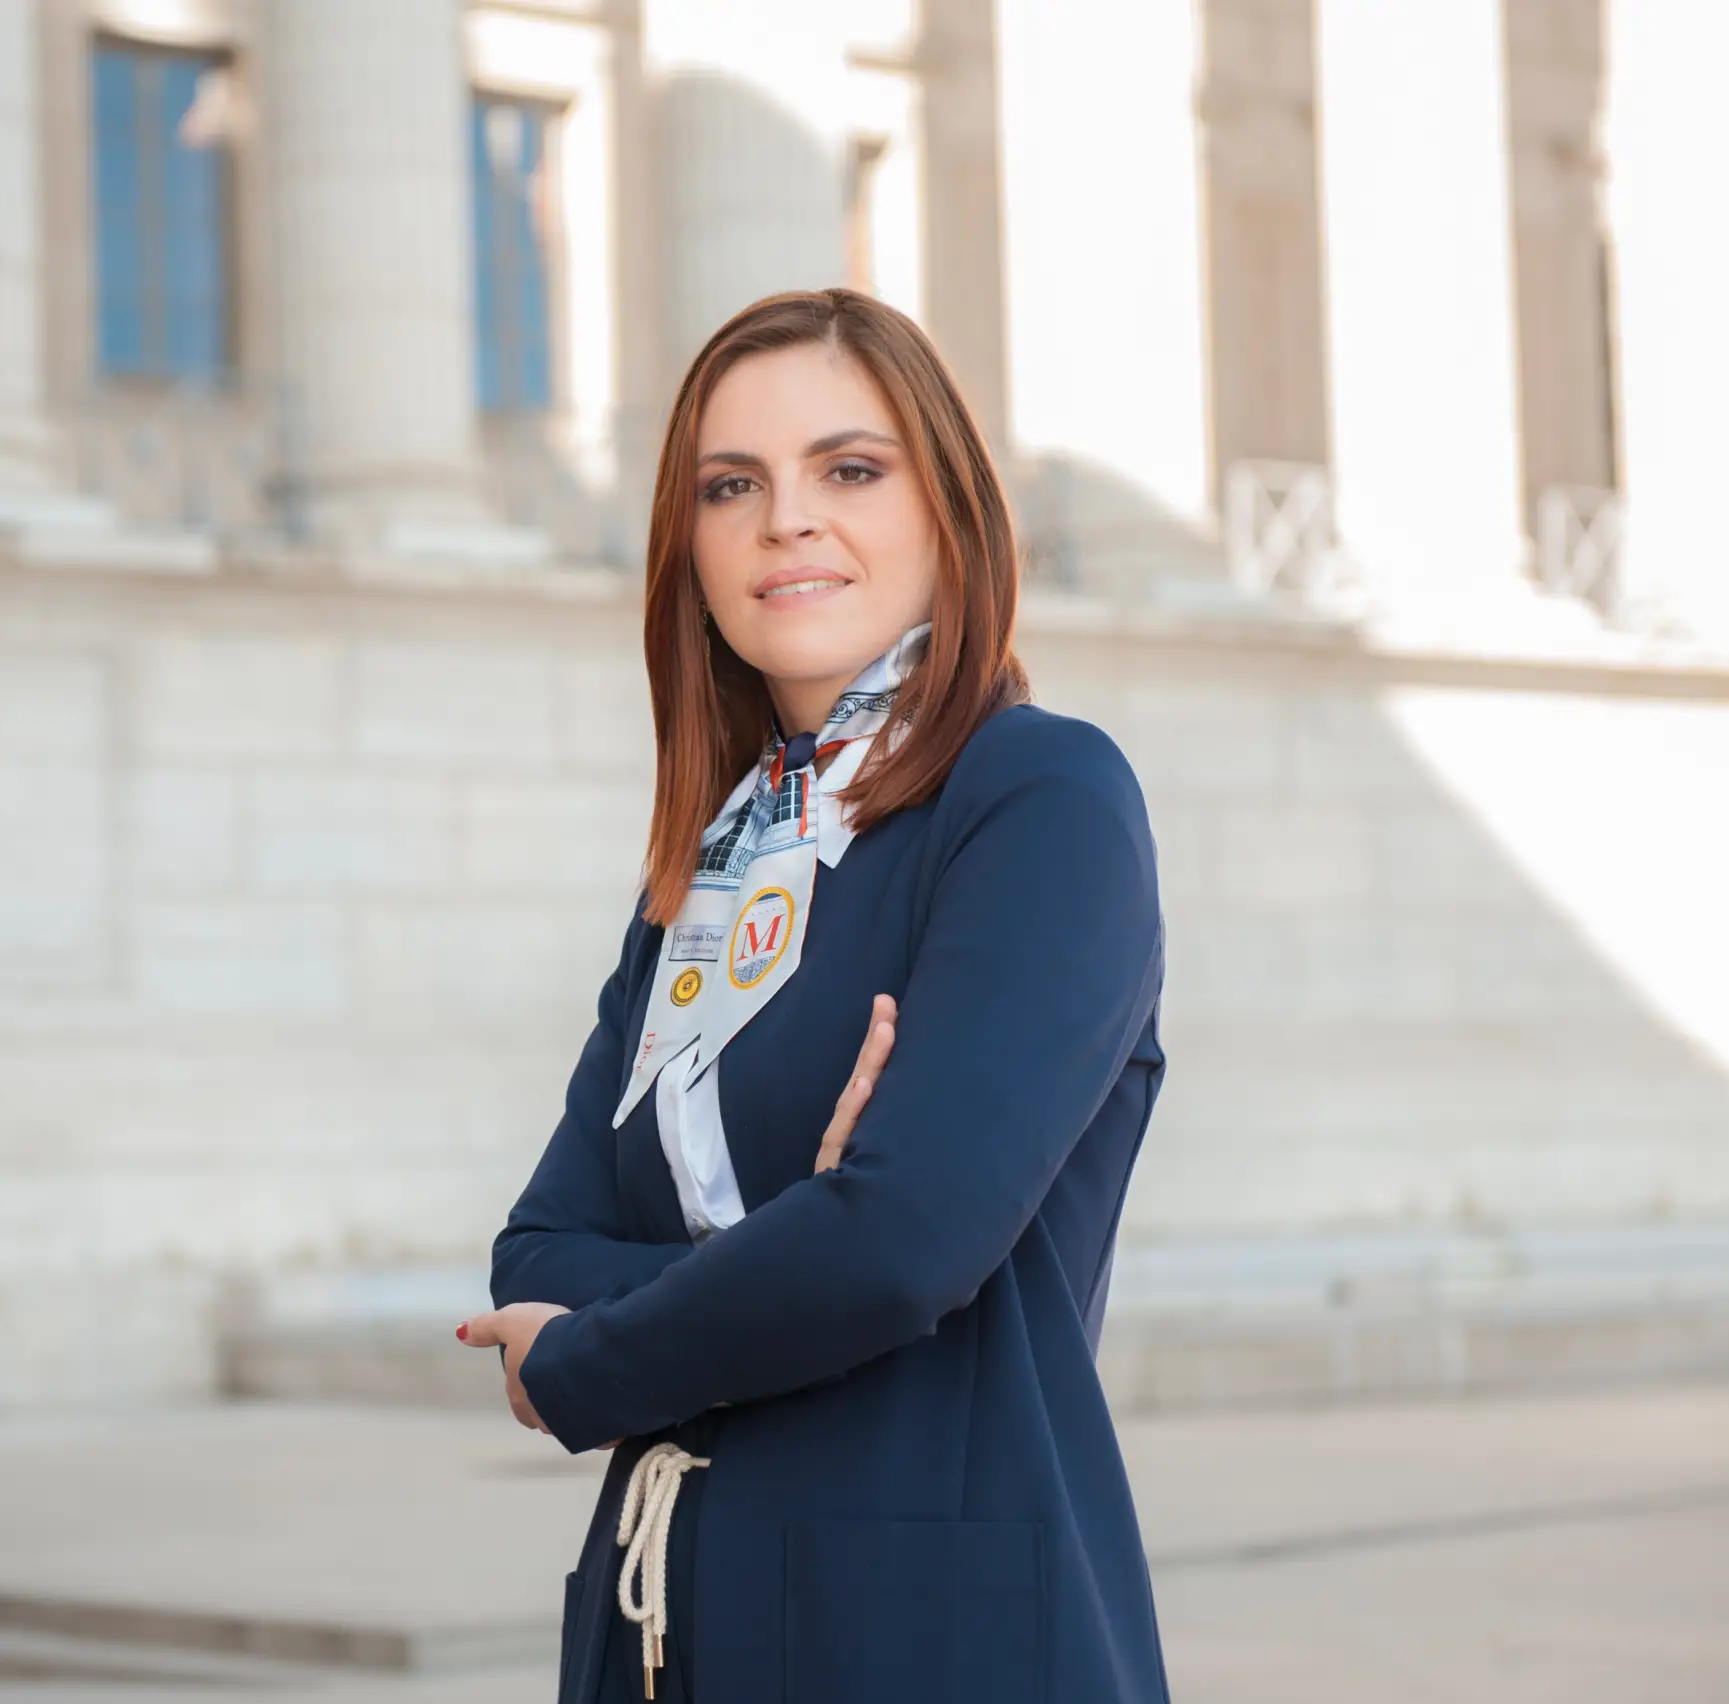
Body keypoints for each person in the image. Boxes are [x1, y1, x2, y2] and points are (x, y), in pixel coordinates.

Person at [459, 289, 1170, 1704]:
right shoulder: (698, 882)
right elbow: (538, 1253)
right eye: (734, 486)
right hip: (665, 1632)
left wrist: (595, 1364)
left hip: (926, 1636)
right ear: (693, 550)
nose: (787, 519)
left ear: (948, 510)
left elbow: (906, 1245)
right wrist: (809, 1235)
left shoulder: (1039, 800)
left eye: (849, 469)